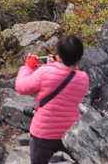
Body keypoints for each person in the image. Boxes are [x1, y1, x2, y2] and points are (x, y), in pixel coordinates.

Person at [14, 35, 89, 164]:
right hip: (69, 132)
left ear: (58, 56)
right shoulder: (83, 79)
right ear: (79, 57)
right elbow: (67, 77)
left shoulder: (45, 72)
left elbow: (21, 87)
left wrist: (27, 67)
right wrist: (58, 64)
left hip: (43, 134)